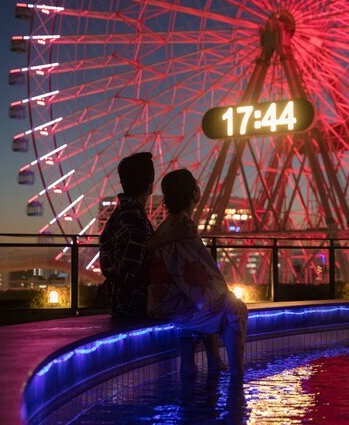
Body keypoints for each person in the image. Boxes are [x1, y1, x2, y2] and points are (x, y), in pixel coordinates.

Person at [147, 169, 248, 377]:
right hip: (174, 308)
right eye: (196, 183)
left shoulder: (170, 224)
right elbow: (196, 273)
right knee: (235, 308)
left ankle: (207, 367)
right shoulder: (184, 226)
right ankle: (237, 376)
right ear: (193, 193)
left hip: (165, 302)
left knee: (216, 305)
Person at [99, 152, 155, 319]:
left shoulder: (121, 213)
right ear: (149, 184)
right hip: (133, 305)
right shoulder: (134, 218)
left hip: (119, 302)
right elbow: (129, 273)